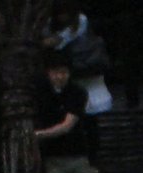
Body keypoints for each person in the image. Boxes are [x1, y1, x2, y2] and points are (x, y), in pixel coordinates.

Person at [47, 7, 113, 155]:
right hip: (73, 80)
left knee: (88, 121)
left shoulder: (80, 23)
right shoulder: (58, 25)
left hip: (83, 79)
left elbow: (59, 41)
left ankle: (92, 156)